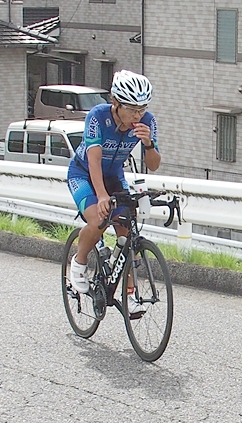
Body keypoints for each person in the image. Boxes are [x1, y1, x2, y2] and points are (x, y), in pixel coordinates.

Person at [66, 70, 161, 316]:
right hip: (83, 174)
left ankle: (130, 295)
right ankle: (79, 261)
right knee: (98, 220)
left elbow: (154, 165)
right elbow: (94, 159)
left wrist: (148, 143)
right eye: (132, 109)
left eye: (142, 108)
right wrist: (101, 196)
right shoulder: (98, 116)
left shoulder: (147, 121)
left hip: (114, 176)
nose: (137, 115)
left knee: (127, 230)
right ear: (116, 102)